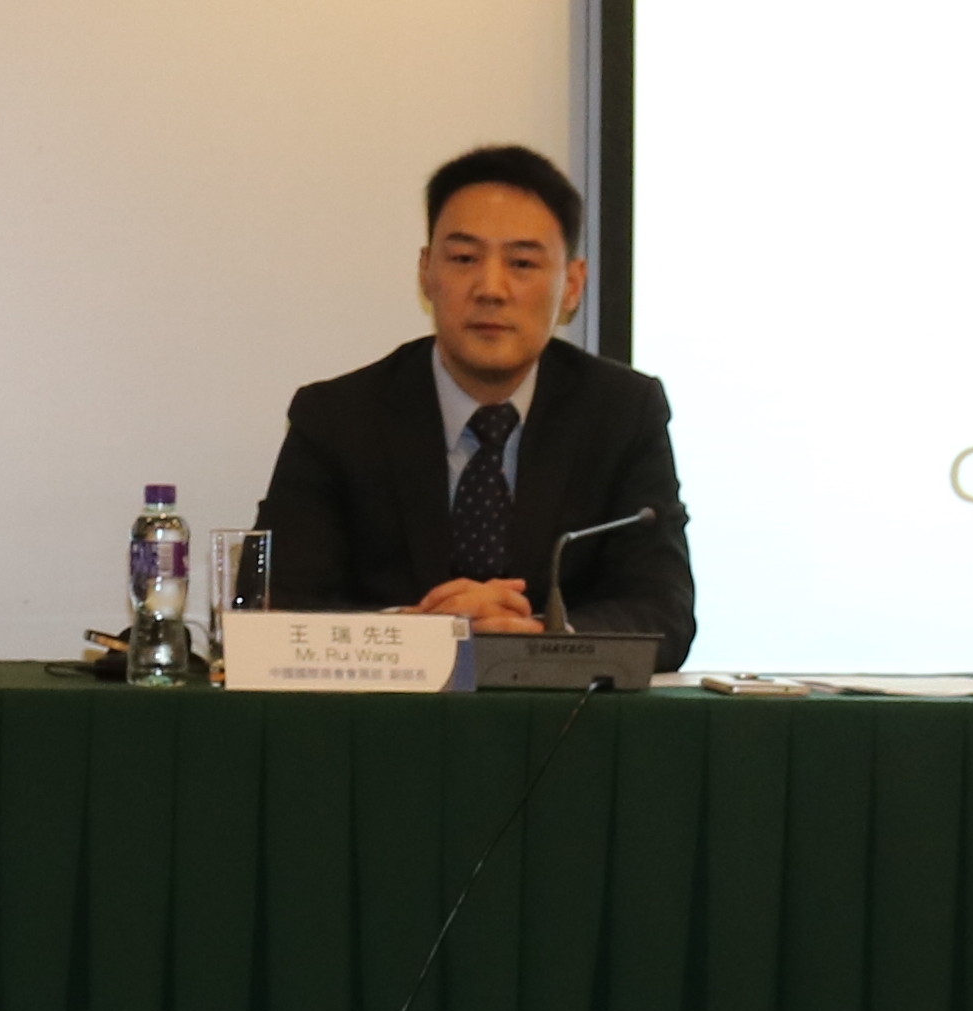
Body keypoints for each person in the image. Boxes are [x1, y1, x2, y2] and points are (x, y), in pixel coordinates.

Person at [254, 144, 694, 668]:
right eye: (464, 259)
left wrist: (539, 637)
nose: (491, 289)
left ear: (573, 285)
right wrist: (414, 630)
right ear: (426, 271)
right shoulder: (337, 417)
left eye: (522, 263)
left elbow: (663, 611)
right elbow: (276, 605)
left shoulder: (623, 412)